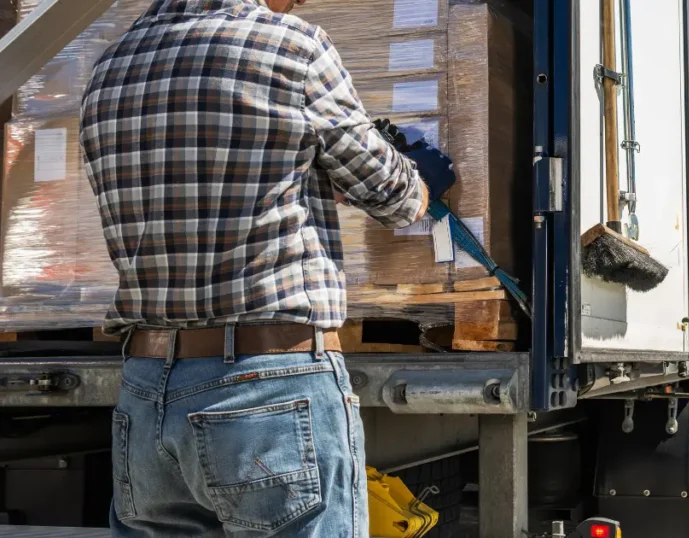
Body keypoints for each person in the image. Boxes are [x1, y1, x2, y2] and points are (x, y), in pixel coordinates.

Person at [79, 0, 455, 535]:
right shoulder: (291, 46)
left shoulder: (110, 65)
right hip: (268, 387)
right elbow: (393, 195)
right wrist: (421, 178)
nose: (296, 3)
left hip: (145, 394)